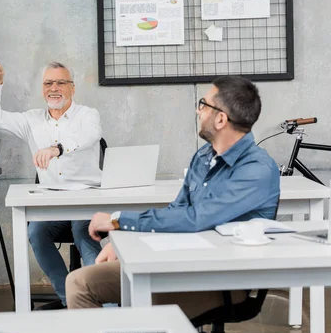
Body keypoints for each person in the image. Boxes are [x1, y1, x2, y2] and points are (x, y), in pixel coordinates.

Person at [66, 75, 280, 318]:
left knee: (139, 304)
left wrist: (117, 220)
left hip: (219, 281)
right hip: (176, 263)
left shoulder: (257, 170)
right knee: (79, 282)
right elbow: (177, 210)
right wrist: (126, 239)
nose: (198, 111)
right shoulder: (204, 156)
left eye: (203, 104)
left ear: (220, 119)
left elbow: (195, 219)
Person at [0, 59, 103, 310]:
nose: (54, 88)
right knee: (36, 233)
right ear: (42, 89)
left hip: (87, 199)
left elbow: (88, 136)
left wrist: (56, 148)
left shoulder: (88, 115)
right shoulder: (31, 120)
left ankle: (100, 301)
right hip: (52, 201)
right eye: (48, 83)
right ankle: (70, 300)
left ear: (72, 88)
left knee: (84, 234)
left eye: (61, 82)